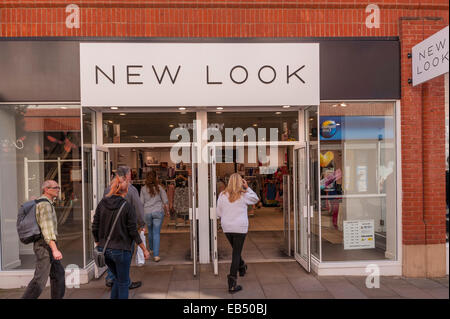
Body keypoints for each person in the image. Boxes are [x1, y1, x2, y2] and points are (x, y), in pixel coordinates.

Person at [93, 176, 150, 299]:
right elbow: (133, 231)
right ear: (126, 190)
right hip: (121, 250)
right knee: (123, 283)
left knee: (118, 279)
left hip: (105, 250)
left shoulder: (102, 203)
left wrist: (98, 242)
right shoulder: (127, 207)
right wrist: (144, 249)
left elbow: (94, 226)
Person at [22, 180, 65, 299]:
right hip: (45, 246)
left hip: (46, 244)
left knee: (58, 275)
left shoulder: (46, 203)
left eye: (59, 187)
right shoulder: (45, 205)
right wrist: (54, 249)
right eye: (55, 187)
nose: (58, 189)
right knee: (39, 280)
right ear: (46, 189)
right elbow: (47, 228)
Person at [216, 173, 259, 294]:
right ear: (241, 182)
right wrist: (247, 187)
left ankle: (242, 267)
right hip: (240, 227)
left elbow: (218, 213)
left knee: (236, 250)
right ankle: (232, 283)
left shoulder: (222, 195)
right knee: (236, 253)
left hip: (227, 227)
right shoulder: (244, 194)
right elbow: (256, 199)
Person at [104, 166, 145, 289]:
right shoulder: (131, 190)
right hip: (126, 228)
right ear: (127, 175)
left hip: (110, 227)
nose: (131, 176)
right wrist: (142, 224)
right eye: (130, 174)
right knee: (126, 255)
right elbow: (138, 209)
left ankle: (111, 277)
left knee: (113, 251)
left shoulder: (107, 189)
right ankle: (125, 282)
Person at [140, 171, 169, 262]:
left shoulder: (143, 189)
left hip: (147, 213)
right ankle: (156, 255)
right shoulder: (160, 188)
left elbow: (141, 203)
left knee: (150, 231)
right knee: (156, 233)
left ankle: (151, 249)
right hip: (157, 212)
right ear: (156, 178)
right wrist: (167, 211)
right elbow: (165, 201)